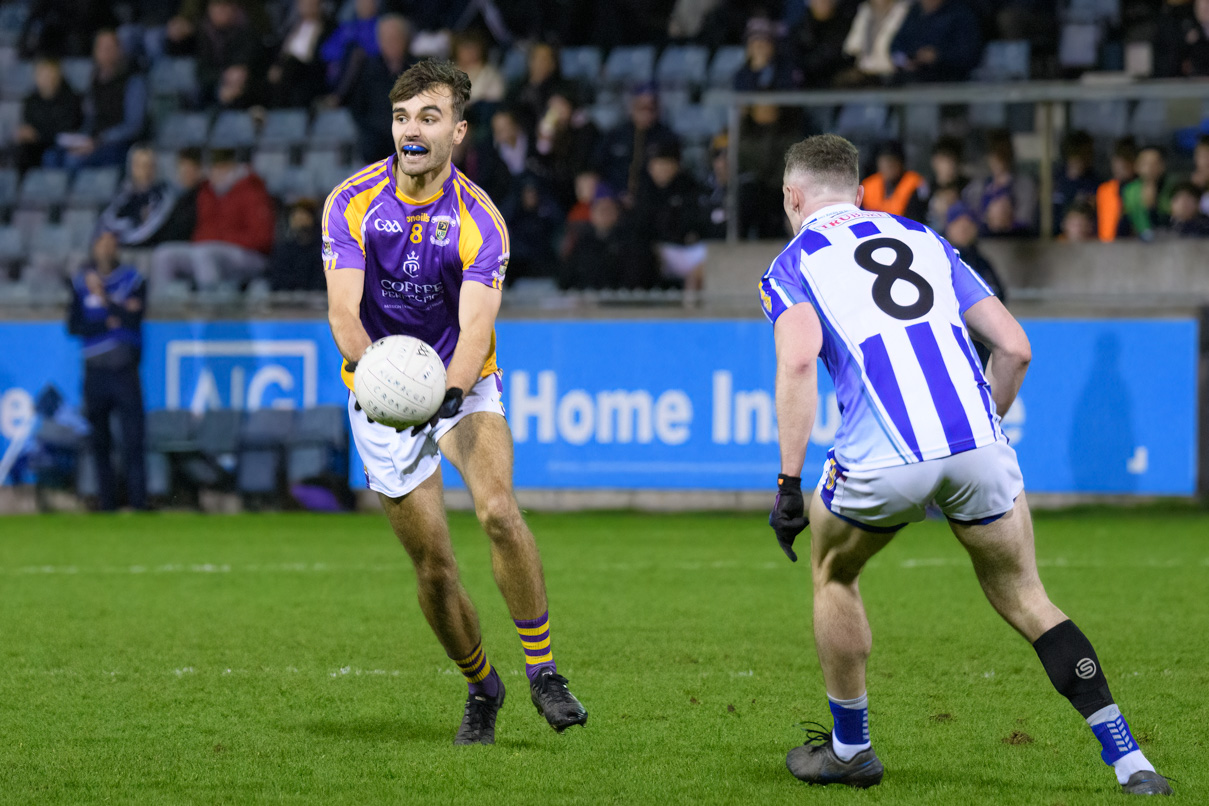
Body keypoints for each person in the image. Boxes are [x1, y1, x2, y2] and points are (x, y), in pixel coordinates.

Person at [759, 133, 1171, 796]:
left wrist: (786, 483)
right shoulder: (923, 238)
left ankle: (849, 751)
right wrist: (982, 436)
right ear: (860, 193)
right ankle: (1130, 761)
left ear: (791, 196)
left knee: (834, 575)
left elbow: (799, 360)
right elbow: (1013, 348)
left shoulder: (790, 264)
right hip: (977, 444)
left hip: (882, 456)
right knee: (1026, 597)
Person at [322, 59, 587, 745]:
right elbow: (344, 312)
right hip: (379, 395)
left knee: (498, 510)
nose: (412, 130)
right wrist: (374, 375)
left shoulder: (479, 221)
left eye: (429, 117)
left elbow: (474, 332)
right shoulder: (350, 202)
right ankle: (482, 684)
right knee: (434, 566)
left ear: (458, 131)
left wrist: (444, 394)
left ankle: (543, 672)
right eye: (402, 116)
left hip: (458, 386)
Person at [67, 228, 147, 512]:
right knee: (99, 441)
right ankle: (107, 503)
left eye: (112, 244)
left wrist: (105, 301)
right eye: (101, 243)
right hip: (95, 371)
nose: (106, 249)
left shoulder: (132, 280)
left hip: (123, 369)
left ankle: (138, 502)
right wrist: (110, 322)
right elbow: (75, 326)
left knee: (133, 440)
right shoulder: (80, 284)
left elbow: (133, 319)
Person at [149, 148, 275, 291]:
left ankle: (210, 309)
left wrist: (221, 240)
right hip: (208, 252)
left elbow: (263, 240)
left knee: (205, 253)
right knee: (164, 255)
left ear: (232, 167)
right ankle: (165, 309)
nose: (215, 172)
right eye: (213, 167)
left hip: (250, 257)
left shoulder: (252, 190)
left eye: (221, 167)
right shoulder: (206, 192)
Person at [42, 29, 147, 171]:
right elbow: (90, 118)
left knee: (73, 161)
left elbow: (133, 125)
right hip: (93, 140)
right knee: (51, 156)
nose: (105, 52)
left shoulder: (133, 81)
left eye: (109, 47)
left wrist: (100, 140)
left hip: (118, 144)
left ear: (119, 50)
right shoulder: (93, 80)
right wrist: (81, 139)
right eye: (101, 48)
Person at [338, 13, 416, 164]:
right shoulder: (368, 69)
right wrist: (369, 129)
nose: (391, 43)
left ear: (405, 40)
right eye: (386, 38)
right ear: (380, 41)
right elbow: (357, 106)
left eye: (396, 38)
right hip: (375, 138)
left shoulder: (419, 69)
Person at [98, 144, 183, 247]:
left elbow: (150, 229)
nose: (145, 171)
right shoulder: (123, 193)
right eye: (139, 165)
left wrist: (121, 236)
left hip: (149, 247)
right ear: (132, 167)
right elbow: (108, 221)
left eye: (149, 165)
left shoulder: (164, 195)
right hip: (120, 245)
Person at [15, 57, 82, 174]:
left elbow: (67, 130)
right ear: (36, 77)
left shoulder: (71, 99)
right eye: (43, 74)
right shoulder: (30, 100)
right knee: (19, 151)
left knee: (51, 156)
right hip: (36, 146)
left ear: (58, 76)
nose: (48, 79)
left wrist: (39, 134)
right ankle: (21, 188)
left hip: (61, 146)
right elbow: (29, 126)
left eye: (51, 74)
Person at [890, 0, 982, 83]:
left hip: (952, 83)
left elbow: (969, 53)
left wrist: (937, 56)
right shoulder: (914, 12)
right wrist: (905, 61)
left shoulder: (960, 13)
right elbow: (896, 46)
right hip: (913, 80)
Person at [838, 0, 910, 86]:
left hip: (893, 75)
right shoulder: (865, 10)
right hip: (865, 75)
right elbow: (851, 47)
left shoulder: (904, 9)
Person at [859, 140, 927, 221]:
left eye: (891, 161)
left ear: (901, 163)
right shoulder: (868, 185)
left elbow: (916, 219)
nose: (888, 165)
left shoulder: (915, 184)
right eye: (884, 161)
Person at [1122, 146, 1178, 241]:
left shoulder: (1173, 188)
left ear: (1163, 166)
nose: (1150, 168)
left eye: (1155, 163)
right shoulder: (1129, 190)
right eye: (1145, 163)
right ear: (1136, 166)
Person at [268, 198, 326, 290]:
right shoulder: (284, 249)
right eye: (294, 215)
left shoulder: (322, 249)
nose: (298, 219)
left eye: (303, 214)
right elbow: (278, 280)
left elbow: (321, 282)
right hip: (288, 300)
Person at [1096, 137, 1137, 242]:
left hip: (1134, 247)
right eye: (1116, 162)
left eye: (1125, 163)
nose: (1119, 168)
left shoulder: (1141, 189)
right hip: (1107, 248)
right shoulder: (1104, 190)